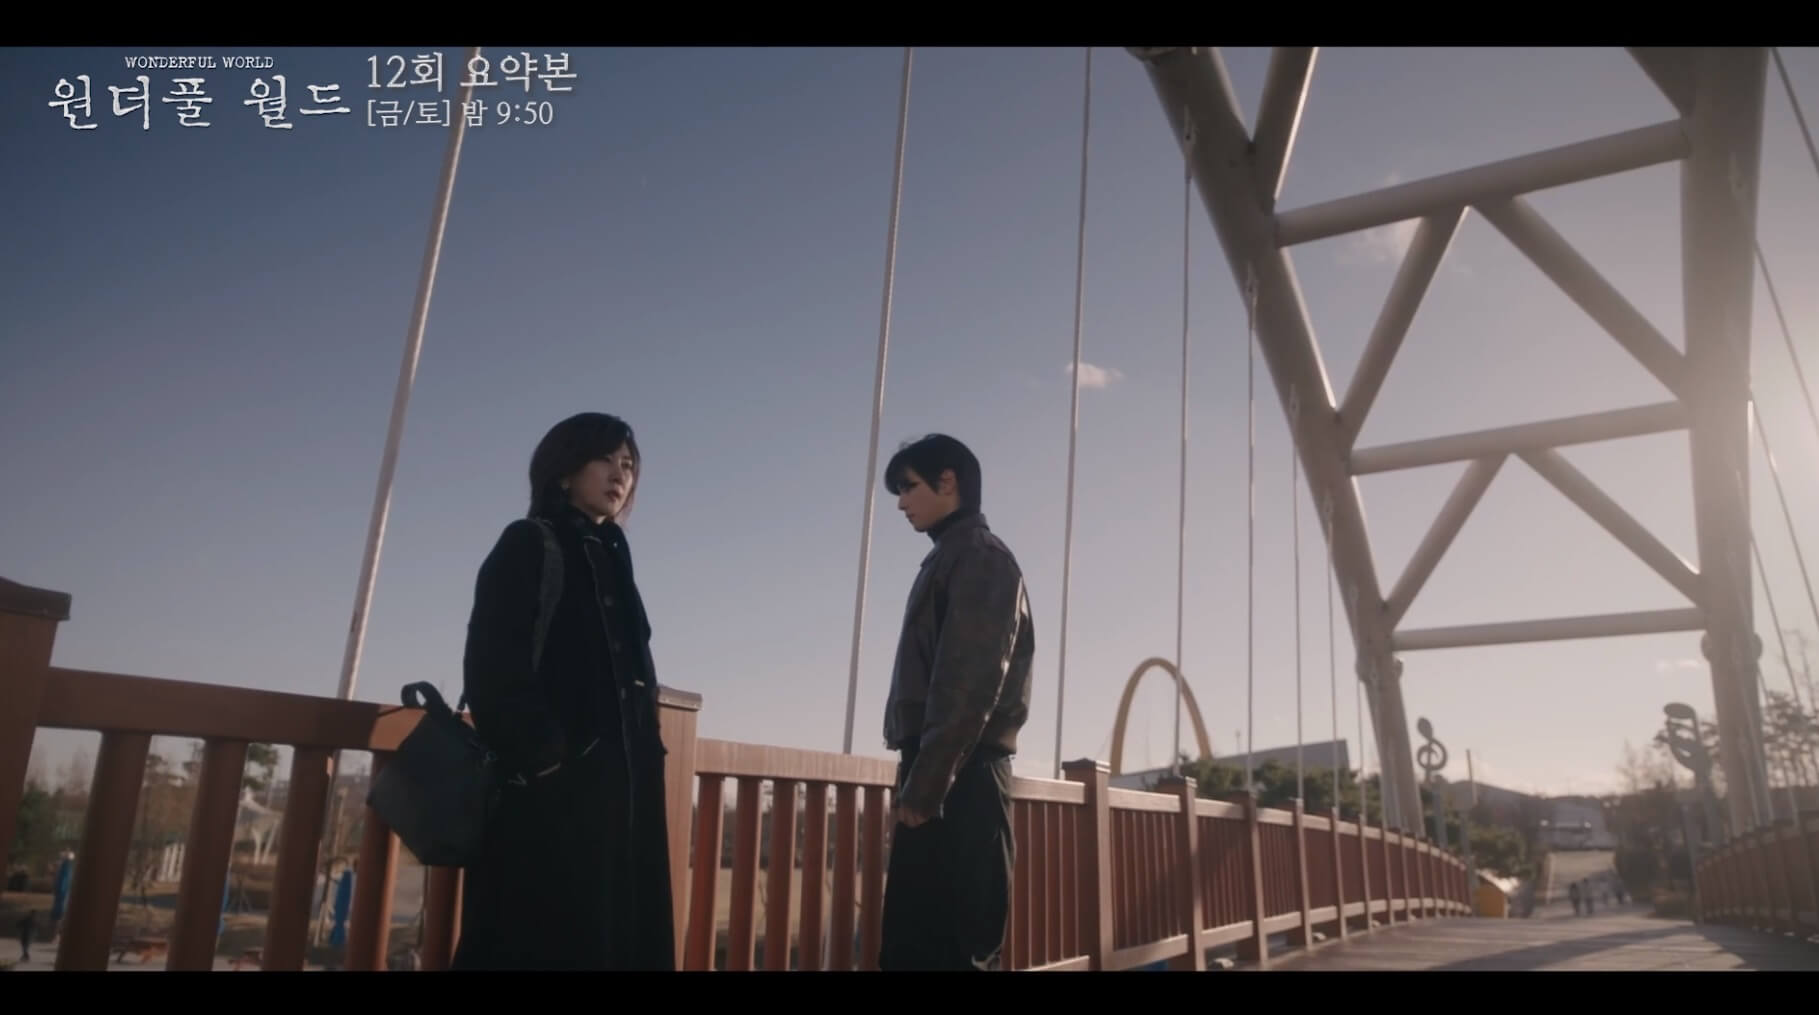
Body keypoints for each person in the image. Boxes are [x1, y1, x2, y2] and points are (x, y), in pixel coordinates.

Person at [451, 412, 676, 971]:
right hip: (550, 799)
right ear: (564, 469)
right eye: (606, 459)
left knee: (618, 935)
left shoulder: (615, 553)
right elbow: (492, 664)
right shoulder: (529, 542)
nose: (620, 474)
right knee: (541, 940)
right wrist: (547, 761)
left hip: (624, 799)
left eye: (629, 464)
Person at [876, 434, 1035, 971]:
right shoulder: (952, 557)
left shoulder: (979, 558)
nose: (901, 502)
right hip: (942, 769)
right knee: (916, 948)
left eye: (908, 487)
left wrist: (925, 786)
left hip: (960, 775)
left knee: (955, 948)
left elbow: (968, 685)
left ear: (947, 482)